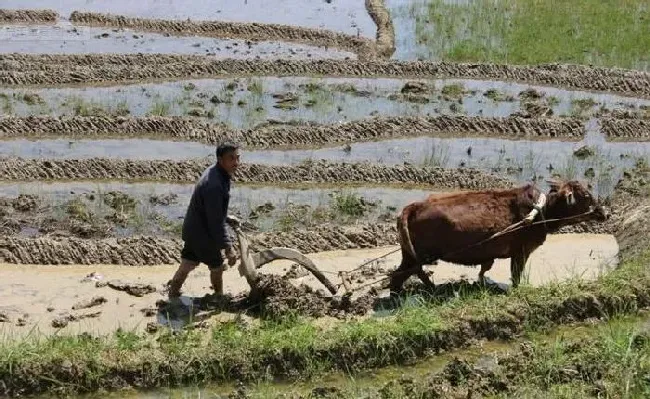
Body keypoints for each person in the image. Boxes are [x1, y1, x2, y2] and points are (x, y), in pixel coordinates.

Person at [167, 142, 241, 299]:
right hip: (203, 234)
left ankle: (173, 294)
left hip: (193, 229)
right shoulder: (214, 184)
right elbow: (215, 223)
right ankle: (219, 297)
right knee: (217, 267)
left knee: (187, 263)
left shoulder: (215, 172)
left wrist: (226, 216)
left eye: (237, 158)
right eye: (231, 158)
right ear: (220, 159)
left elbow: (210, 209)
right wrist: (228, 247)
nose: (236, 163)